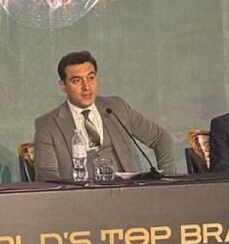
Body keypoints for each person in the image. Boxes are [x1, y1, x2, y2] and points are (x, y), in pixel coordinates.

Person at [32, 50, 175, 181]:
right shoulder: (48, 125)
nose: (86, 87)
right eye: (77, 81)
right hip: (79, 197)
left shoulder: (117, 108)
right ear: (63, 86)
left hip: (126, 194)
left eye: (91, 78)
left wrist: (168, 179)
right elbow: (46, 175)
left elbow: (161, 138)